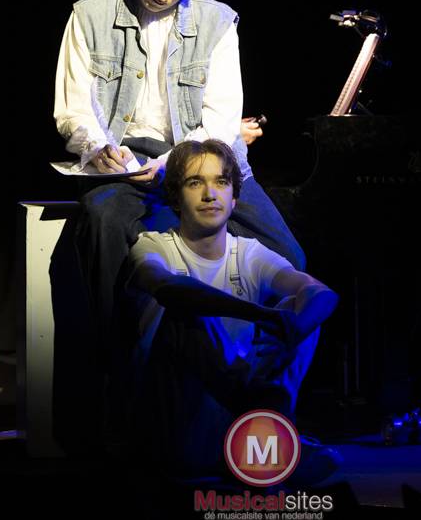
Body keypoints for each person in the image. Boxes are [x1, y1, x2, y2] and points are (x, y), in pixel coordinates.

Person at [52, 0, 305, 385]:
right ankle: (118, 370)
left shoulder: (218, 22)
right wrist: (98, 146)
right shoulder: (90, 14)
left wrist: (174, 163)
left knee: (289, 255)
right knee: (103, 222)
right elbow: (73, 109)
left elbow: (219, 122)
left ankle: (252, 382)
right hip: (124, 159)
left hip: (201, 157)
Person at [121, 139, 339, 478]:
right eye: (195, 182)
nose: (210, 194)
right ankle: (264, 417)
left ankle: (258, 431)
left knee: (301, 309)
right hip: (177, 425)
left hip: (233, 422)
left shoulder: (247, 253)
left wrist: (292, 325)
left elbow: (323, 294)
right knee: (186, 312)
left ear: (234, 197)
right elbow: (169, 289)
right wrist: (260, 315)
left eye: (221, 182)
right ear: (176, 198)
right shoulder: (152, 246)